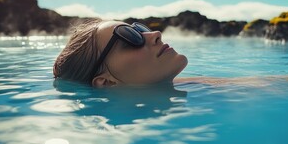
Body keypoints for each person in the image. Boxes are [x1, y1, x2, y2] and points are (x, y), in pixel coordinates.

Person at [53, 19, 188, 88]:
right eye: (131, 38)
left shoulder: (201, 85)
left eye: (140, 30)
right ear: (107, 83)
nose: (156, 34)